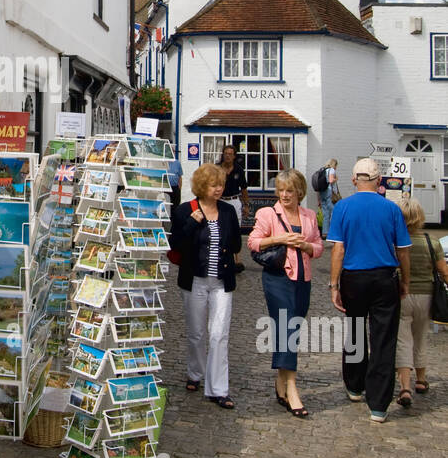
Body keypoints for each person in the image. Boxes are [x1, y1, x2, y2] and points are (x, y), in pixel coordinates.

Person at [327, 157, 411, 423]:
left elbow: (338, 249)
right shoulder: (392, 209)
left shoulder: (343, 207)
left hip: (354, 277)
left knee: (354, 329)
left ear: (354, 180)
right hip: (384, 276)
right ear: (379, 182)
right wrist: (405, 281)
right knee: (383, 339)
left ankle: (354, 385)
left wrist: (334, 284)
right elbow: (403, 251)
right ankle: (378, 404)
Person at [248, 169, 323, 417]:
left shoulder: (309, 216)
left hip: (303, 279)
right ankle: (292, 388)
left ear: (299, 191)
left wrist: (305, 246)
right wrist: (279, 238)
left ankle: (280, 382)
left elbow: (319, 246)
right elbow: (254, 242)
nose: (284, 195)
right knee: (287, 327)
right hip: (278, 278)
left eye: (289, 190)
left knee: (291, 329)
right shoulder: (267, 213)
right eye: (280, 190)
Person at [171, 162, 241, 409]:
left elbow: (235, 245)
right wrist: (192, 222)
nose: (219, 189)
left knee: (219, 334)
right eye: (214, 185)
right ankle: (195, 373)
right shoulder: (184, 211)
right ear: (202, 186)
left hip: (222, 282)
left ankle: (218, 389)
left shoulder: (228, 211)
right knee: (196, 332)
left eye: (221, 184)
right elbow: (175, 243)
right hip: (194, 281)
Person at [394, 197, 448, 406]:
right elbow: (443, 271)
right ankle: (422, 379)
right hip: (426, 295)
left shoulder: (394, 241)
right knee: (420, 337)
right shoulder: (430, 241)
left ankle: (405, 386)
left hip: (401, 295)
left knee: (402, 340)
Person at [219, 144, 249, 272]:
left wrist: (246, 205)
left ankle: (237, 258)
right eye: (226, 153)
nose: (228, 156)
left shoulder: (239, 170)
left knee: (235, 229)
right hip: (220, 200)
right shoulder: (217, 169)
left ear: (234, 156)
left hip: (234, 200)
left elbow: (244, 189)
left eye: (230, 154)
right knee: (219, 227)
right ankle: (220, 256)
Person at [317, 158, 340, 239]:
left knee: (326, 215)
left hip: (322, 193)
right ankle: (335, 232)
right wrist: (335, 179)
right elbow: (330, 180)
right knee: (336, 212)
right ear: (334, 164)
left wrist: (318, 199)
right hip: (329, 193)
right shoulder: (331, 170)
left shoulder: (323, 170)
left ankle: (324, 233)